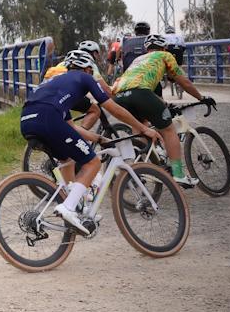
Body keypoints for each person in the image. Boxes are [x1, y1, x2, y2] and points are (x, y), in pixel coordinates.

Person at [22, 50, 159, 234]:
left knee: (67, 159)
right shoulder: (84, 78)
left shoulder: (56, 85)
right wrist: (143, 128)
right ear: (87, 69)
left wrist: (99, 138)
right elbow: (113, 109)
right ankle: (68, 208)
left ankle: (76, 208)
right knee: (92, 162)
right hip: (49, 119)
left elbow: (70, 127)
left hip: (28, 121)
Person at [112, 34, 214, 187]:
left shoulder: (137, 60)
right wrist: (201, 97)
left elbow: (138, 85)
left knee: (142, 128)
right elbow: (184, 82)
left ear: (147, 49)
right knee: (168, 130)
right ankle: (178, 175)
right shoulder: (165, 55)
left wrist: (162, 103)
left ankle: (138, 168)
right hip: (141, 93)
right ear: (164, 47)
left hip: (119, 96)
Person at [41, 44, 111, 131]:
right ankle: (79, 138)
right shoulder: (88, 64)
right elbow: (106, 90)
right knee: (95, 110)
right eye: (96, 53)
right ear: (93, 53)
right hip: (64, 93)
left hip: (45, 93)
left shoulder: (64, 62)